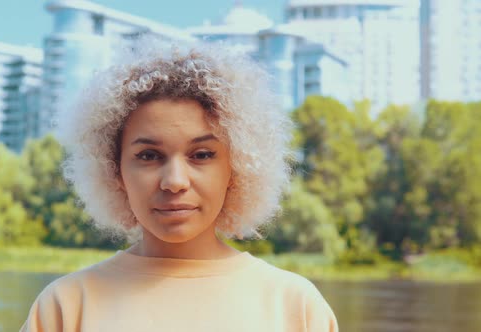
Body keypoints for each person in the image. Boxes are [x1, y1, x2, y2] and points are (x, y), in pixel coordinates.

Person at [19, 37, 338, 332]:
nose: (174, 182)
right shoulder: (66, 306)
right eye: (148, 155)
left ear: (236, 168)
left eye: (201, 154)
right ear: (115, 170)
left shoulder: (295, 306)